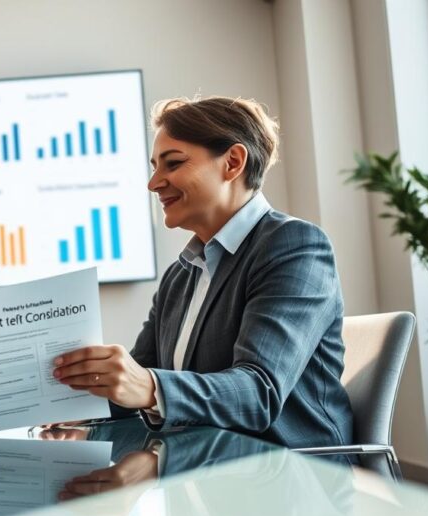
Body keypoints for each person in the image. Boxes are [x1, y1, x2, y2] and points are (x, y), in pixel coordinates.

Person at [52, 96, 353, 448]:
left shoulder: (294, 246)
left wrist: (149, 386)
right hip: (204, 472)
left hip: (293, 480)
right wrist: (76, 402)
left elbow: (259, 393)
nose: (153, 184)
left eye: (173, 164)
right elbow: (139, 377)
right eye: (154, 167)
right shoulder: (181, 276)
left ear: (233, 162)